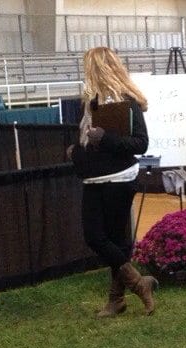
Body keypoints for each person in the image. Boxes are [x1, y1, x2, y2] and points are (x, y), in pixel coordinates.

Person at [69, 46, 157, 317]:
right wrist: (78, 149)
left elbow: (140, 144)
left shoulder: (127, 102)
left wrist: (104, 137)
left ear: (98, 68)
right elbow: (89, 138)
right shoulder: (90, 101)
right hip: (94, 178)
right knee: (97, 237)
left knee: (110, 240)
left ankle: (119, 297)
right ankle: (137, 285)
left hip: (119, 178)